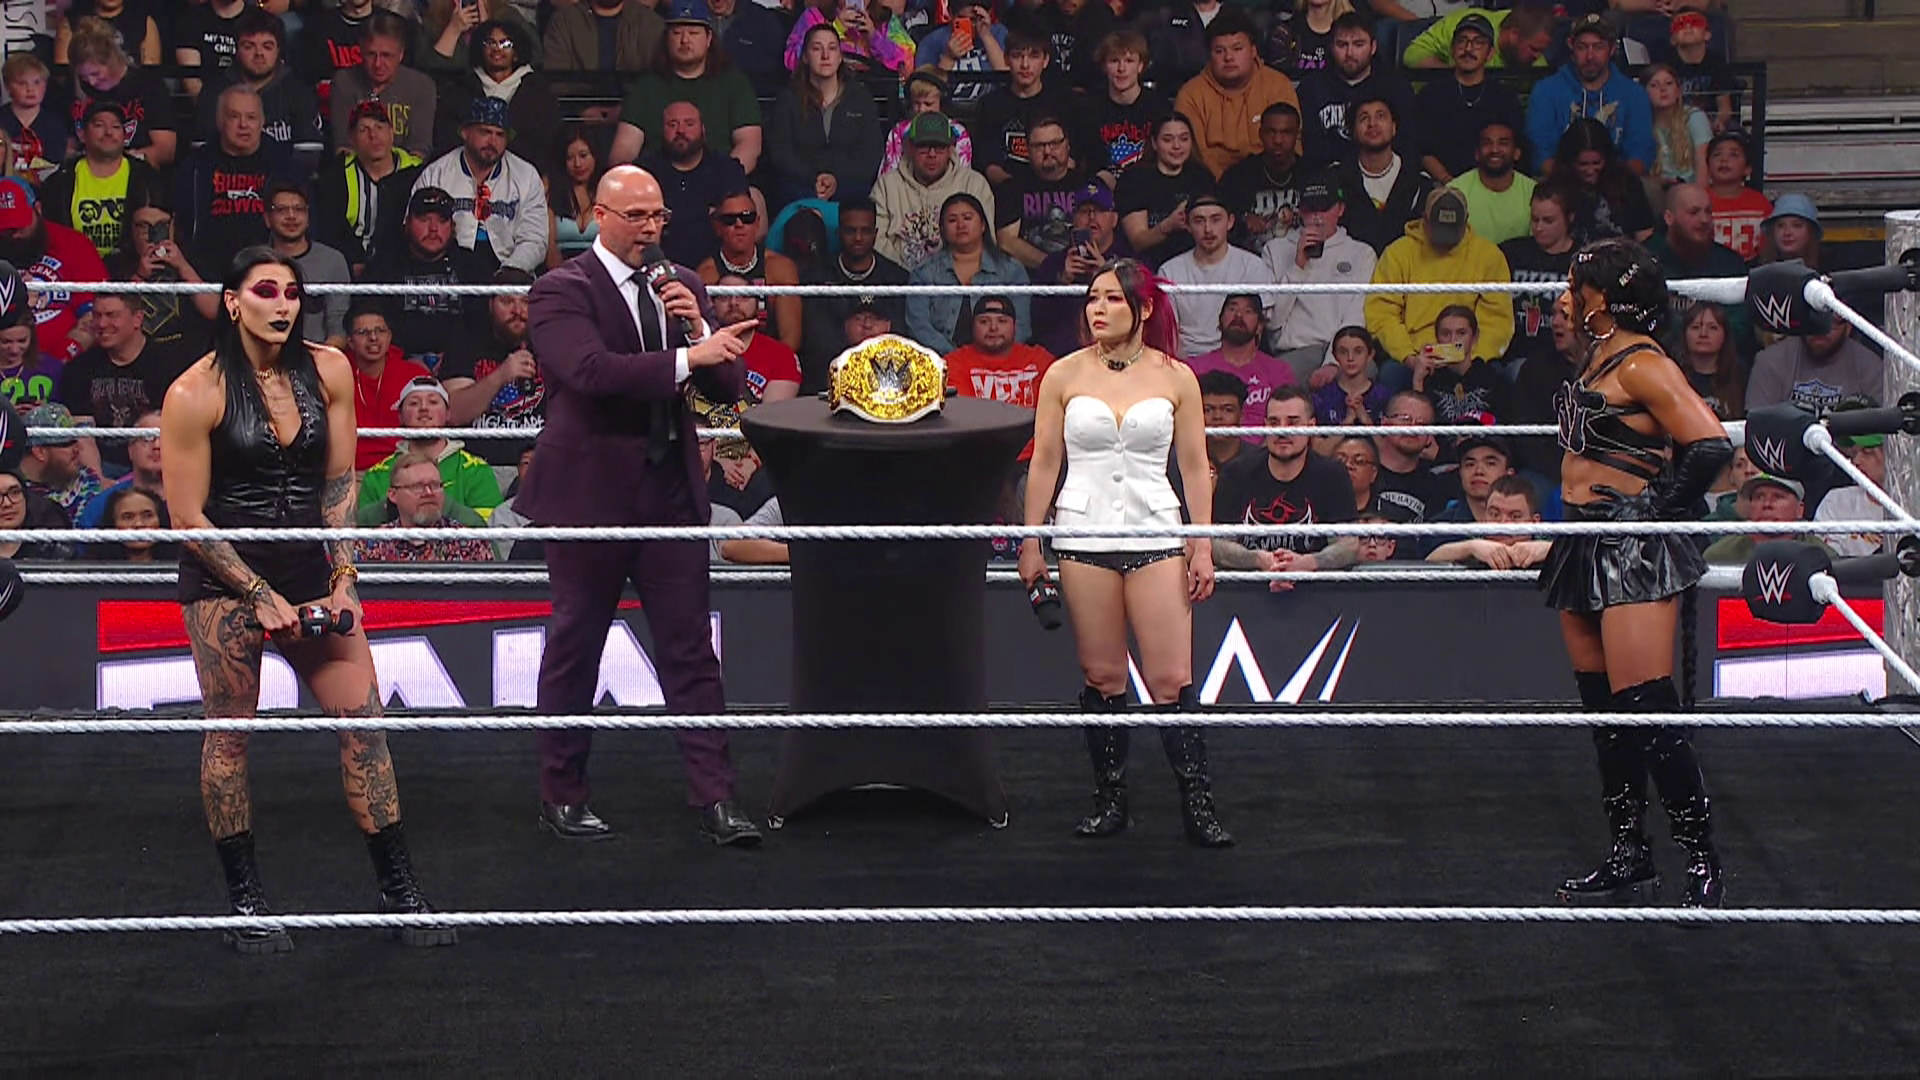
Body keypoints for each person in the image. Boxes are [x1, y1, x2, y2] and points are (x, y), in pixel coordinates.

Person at [159, 247, 454, 954]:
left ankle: (400, 890)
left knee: (366, 725)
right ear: (234, 302)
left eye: (293, 292)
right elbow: (188, 517)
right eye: (267, 290)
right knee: (230, 734)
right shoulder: (193, 392)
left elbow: (339, 482)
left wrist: (345, 575)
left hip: (307, 567)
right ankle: (247, 903)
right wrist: (256, 593)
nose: (284, 304)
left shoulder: (330, 369)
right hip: (224, 575)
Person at [520, 164, 764, 847]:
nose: (651, 228)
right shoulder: (560, 290)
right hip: (589, 493)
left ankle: (717, 797)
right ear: (599, 216)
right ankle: (562, 794)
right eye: (636, 216)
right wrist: (690, 361)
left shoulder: (680, 283)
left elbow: (726, 384)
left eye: (658, 216)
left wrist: (697, 330)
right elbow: (590, 372)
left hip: (668, 489)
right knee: (576, 645)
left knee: (691, 649)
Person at [1538, 238, 1732, 910]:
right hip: (1581, 539)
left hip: (1630, 547)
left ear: (1603, 297)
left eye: (1575, 287)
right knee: (1605, 712)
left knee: (1646, 707)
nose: (1565, 299)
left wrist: (1655, 512)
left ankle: (1702, 859)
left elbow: (1710, 443)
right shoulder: (1599, 357)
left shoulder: (1645, 364)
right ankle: (1629, 852)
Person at [1017, 257, 1229, 848]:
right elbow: (1044, 462)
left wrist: (1202, 544)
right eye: (1093, 297)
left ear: (1142, 308)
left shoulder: (1175, 376)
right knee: (1102, 673)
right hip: (1083, 534)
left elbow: (1195, 466)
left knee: (1171, 677)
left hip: (1156, 533)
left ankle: (1198, 805)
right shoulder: (1062, 373)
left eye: (1112, 298)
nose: (1098, 308)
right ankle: (1110, 800)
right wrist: (1030, 540)